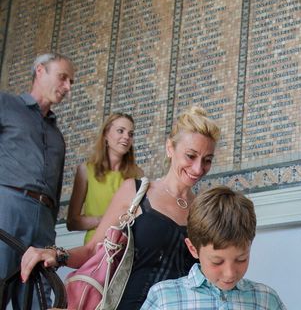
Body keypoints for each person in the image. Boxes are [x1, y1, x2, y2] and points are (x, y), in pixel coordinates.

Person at [21, 105, 220, 310]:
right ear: (170, 148)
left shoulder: (203, 210)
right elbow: (92, 250)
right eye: (190, 156)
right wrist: (56, 255)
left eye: (207, 160)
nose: (198, 168)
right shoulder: (136, 191)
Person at [0, 52, 75, 308]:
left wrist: (50, 236)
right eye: (63, 78)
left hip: (43, 221)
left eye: (70, 82)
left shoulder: (58, 137)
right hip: (7, 208)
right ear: (40, 71)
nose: (67, 87)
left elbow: (54, 189)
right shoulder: (5, 105)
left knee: (38, 299)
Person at [140, 185, 287, 309]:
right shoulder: (163, 298)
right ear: (193, 249)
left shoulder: (266, 300)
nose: (229, 273)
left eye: (241, 259)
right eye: (217, 262)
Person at [67, 112, 143, 243]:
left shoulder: (138, 174)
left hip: (126, 248)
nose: (126, 137)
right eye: (121, 131)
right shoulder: (86, 170)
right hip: (95, 247)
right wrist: (104, 221)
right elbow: (72, 222)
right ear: (106, 134)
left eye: (130, 134)